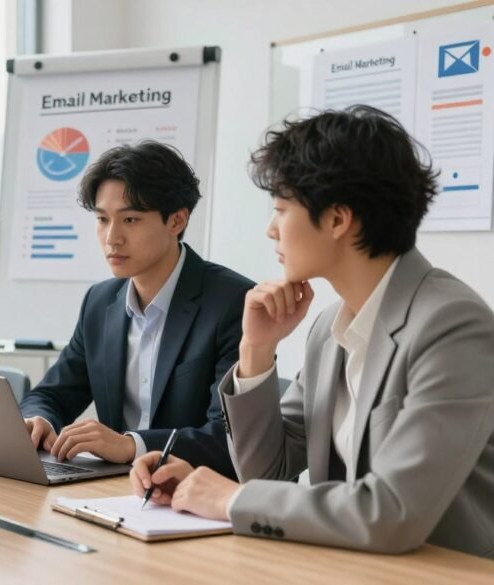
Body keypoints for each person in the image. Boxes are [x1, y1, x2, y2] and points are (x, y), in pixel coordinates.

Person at [131, 106, 494, 558]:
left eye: (281, 209)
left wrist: (230, 499)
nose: (270, 229)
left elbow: (394, 511)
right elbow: (269, 472)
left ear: (339, 220)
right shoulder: (330, 327)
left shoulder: (453, 326)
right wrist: (257, 349)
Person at [19, 141, 253, 474]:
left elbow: (229, 436)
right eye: (102, 219)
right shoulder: (100, 303)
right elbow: (51, 394)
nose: (112, 238)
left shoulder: (233, 301)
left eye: (130, 219)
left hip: (193, 494)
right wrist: (38, 419)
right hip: (111, 489)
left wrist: (131, 445)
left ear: (176, 221)